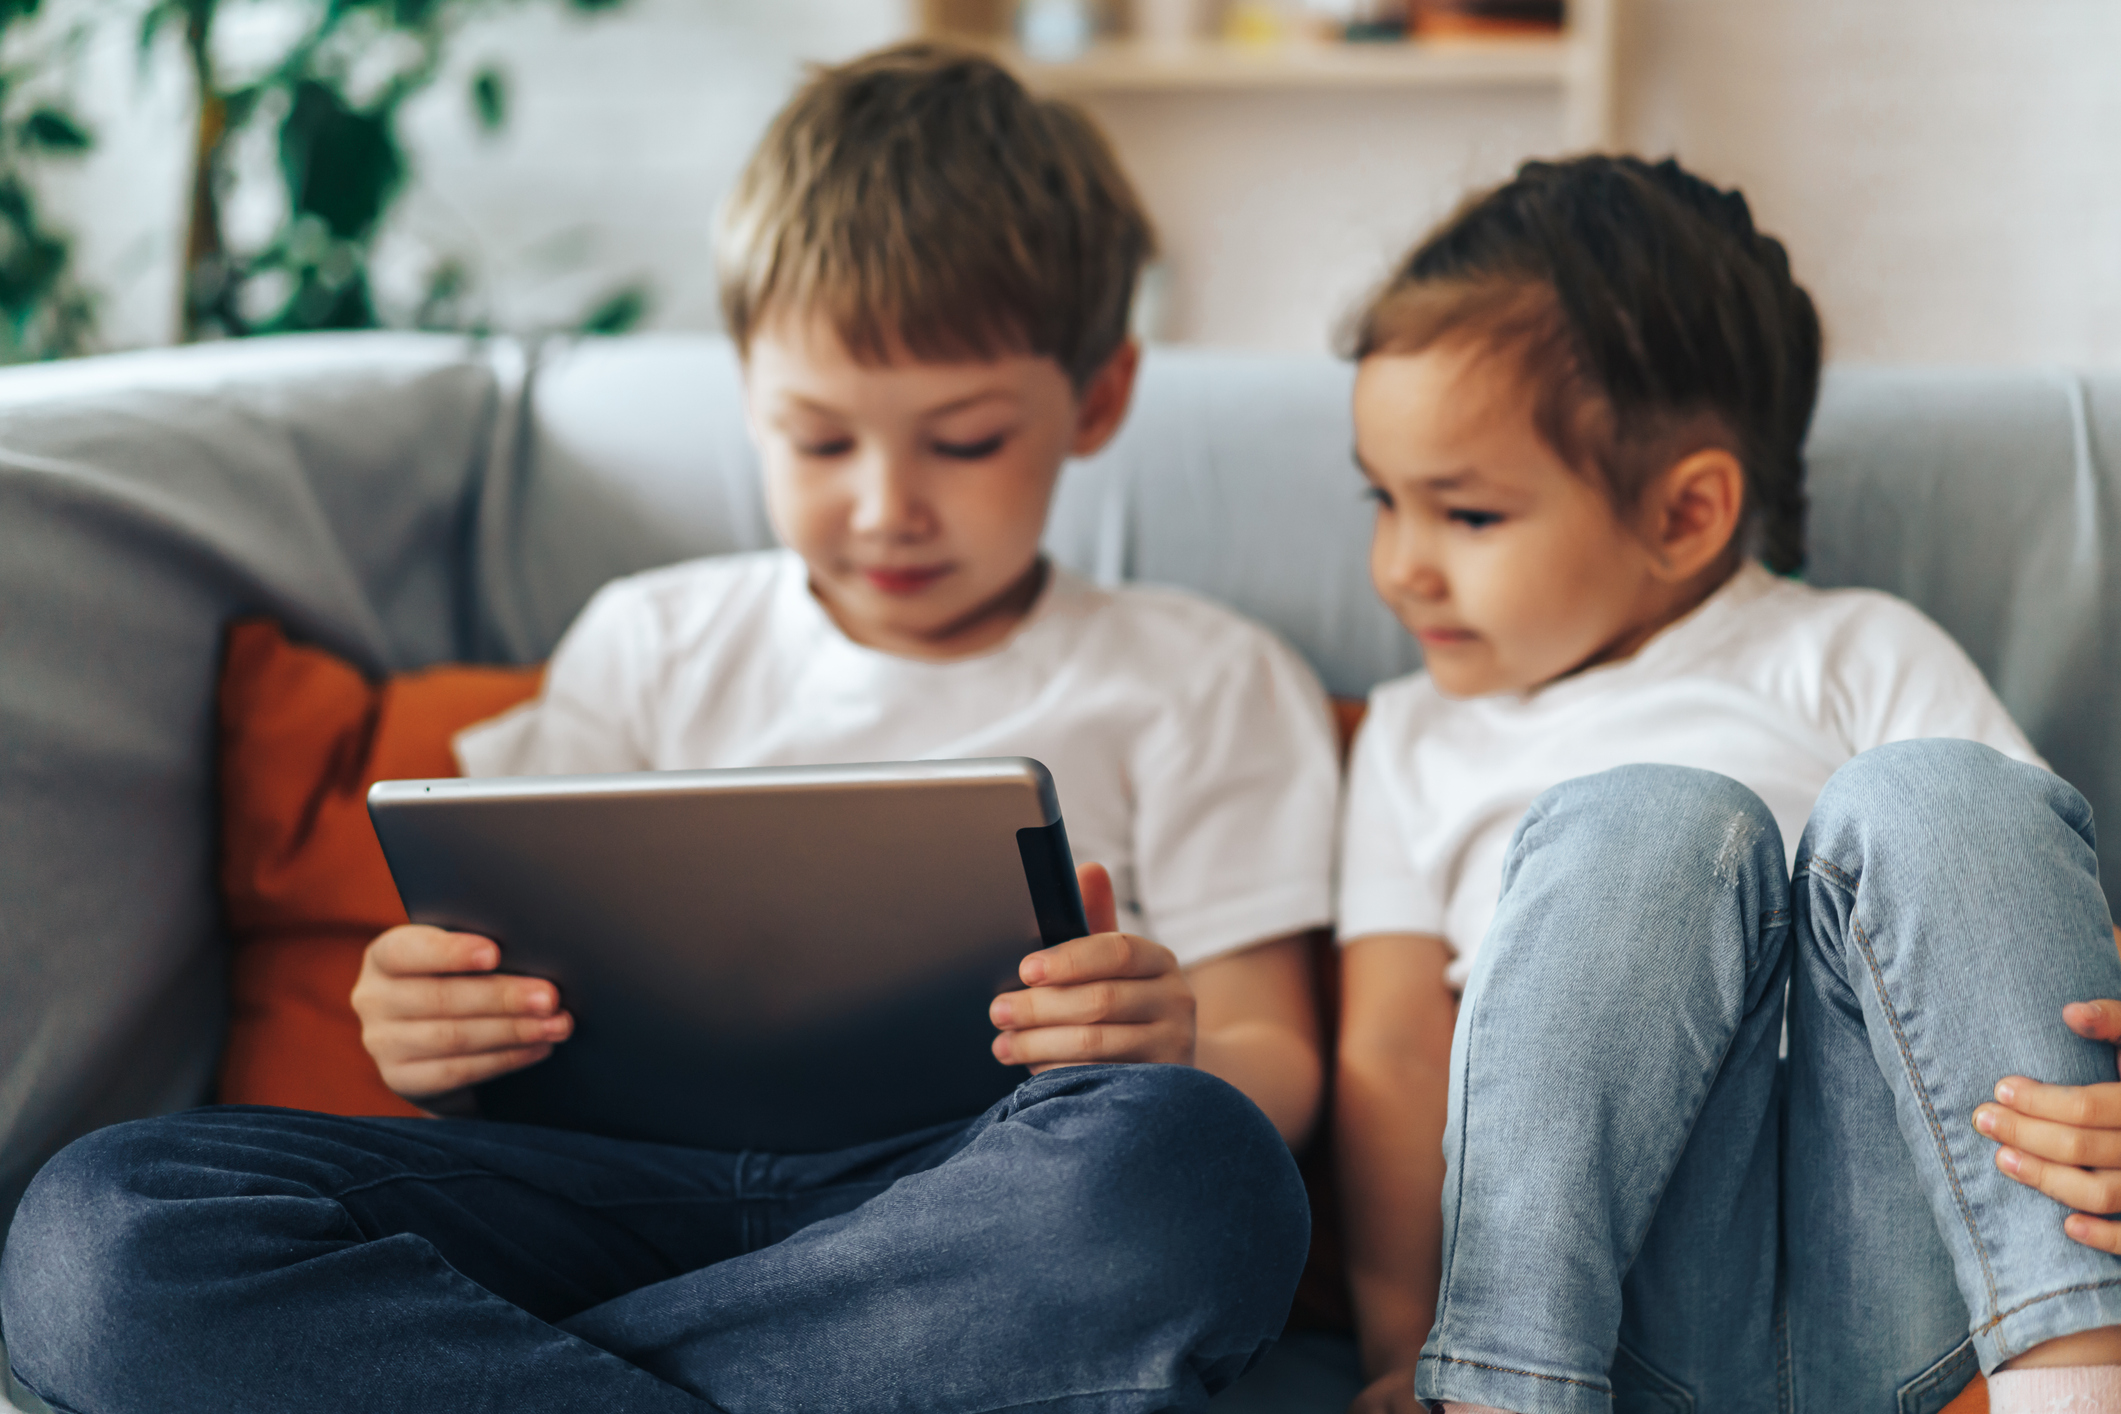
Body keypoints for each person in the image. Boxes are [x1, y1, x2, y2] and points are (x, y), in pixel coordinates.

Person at [0, 45, 1337, 1412]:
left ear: (1100, 398)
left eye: (966, 441)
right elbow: (493, 1014)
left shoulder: (1206, 673)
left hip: (966, 1209)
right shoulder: (646, 636)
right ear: (747, 390)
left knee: (1198, 1172)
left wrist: (1173, 1043)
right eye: (820, 442)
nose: (886, 505)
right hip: (603, 1199)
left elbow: (1269, 1060)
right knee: (103, 1224)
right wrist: (431, 1040)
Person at [1329, 154, 2121, 1414]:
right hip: (1623, 1338)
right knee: (1643, 830)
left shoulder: (1855, 650)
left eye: (1465, 515)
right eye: (1384, 503)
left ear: (1688, 512)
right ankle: (1498, 1394)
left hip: (1939, 1316)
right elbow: (1388, 1055)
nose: (1400, 569)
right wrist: (1404, 1339)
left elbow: (2028, 928)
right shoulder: (1415, 737)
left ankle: (2077, 1380)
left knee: (1943, 798)